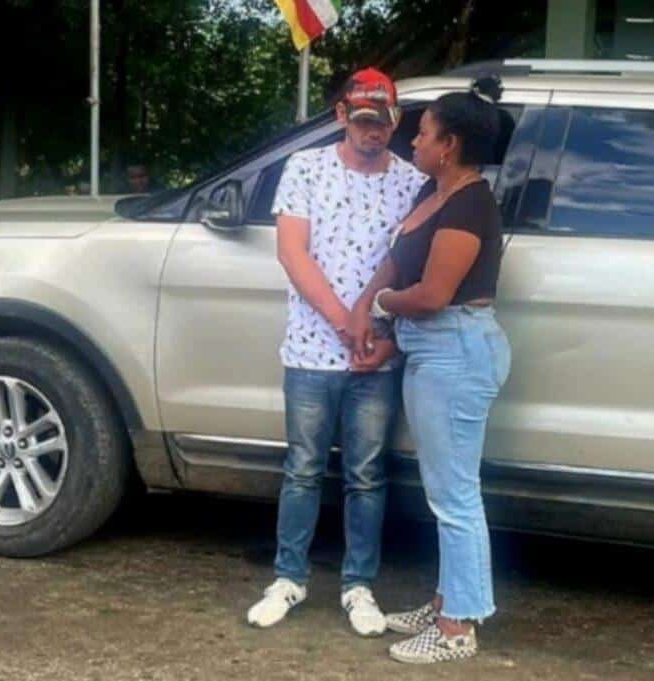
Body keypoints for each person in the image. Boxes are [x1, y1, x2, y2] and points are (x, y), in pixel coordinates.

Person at [246, 68, 428, 636]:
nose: (374, 131)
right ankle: (288, 577)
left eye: (384, 122)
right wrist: (344, 322)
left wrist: (379, 334)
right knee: (301, 469)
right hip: (310, 350)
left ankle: (359, 586)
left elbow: (411, 265)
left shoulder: (411, 182)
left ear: (396, 121)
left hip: (377, 356)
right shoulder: (306, 168)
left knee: (366, 475)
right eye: (364, 120)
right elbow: (293, 253)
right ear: (343, 116)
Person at [348, 76, 511, 664]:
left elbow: (434, 294)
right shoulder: (434, 191)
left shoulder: (470, 204)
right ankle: (448, 599)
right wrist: (371, 307)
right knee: (447, 490)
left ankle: (456, 628)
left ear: (450, 145)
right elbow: (401, 261)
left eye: (424, 133)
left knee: (455, 496)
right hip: (434, 350)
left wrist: (381, 306)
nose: (412, 141)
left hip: (455, 351)